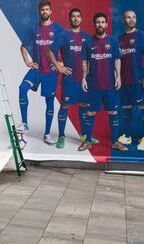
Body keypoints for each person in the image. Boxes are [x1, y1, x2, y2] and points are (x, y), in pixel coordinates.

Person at [48, 8, 99, 149]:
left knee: (84, 106)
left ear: (81, 19)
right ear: (70, 19)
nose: (76, 19)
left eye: (78, 16)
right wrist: (59, 67)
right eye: (73, 17)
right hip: (69, 80)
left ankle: (85, 136)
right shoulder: (63, 35)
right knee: (65, 106)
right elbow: (49, 51)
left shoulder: (87, 37)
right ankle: (61, 136)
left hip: (84, 80)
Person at [78, 12, 128, 152]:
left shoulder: (113, 41)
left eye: (102, 22)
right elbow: (85, 61)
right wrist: (83, 78)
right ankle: (87, 141)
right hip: (94, 84)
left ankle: (114, 142)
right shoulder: (87, 42)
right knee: (90, 113)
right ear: (94, 24)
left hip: (110, 84)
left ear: (106, 24)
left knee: (113, 112)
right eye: (98, 22)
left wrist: (118, 77)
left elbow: (117, 59)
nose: (100, 24)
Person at [16, 0, 64, 145]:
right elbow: (23, 47)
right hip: (37, 70)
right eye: (42, 10)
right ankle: (24, 123)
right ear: (39, 12)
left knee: (49, 102)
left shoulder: (58, 29)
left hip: (50, 71)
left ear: (51, 11)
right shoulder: (33, 29)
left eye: (47, 9)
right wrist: (27, 62)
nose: (45, 12)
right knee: (22, 88)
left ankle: (47, 134)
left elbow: (66, 47)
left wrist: (61, 64)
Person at [117, 10, 144, 151]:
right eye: (128, 17)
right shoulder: (119, 39)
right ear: (123, 20)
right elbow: (117, 61)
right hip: (124, 81)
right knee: (126, 109)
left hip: (138, 80)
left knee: (143, 108)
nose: (131, 20)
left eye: (134, 17)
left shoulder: (142, 35)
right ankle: (127, 136)